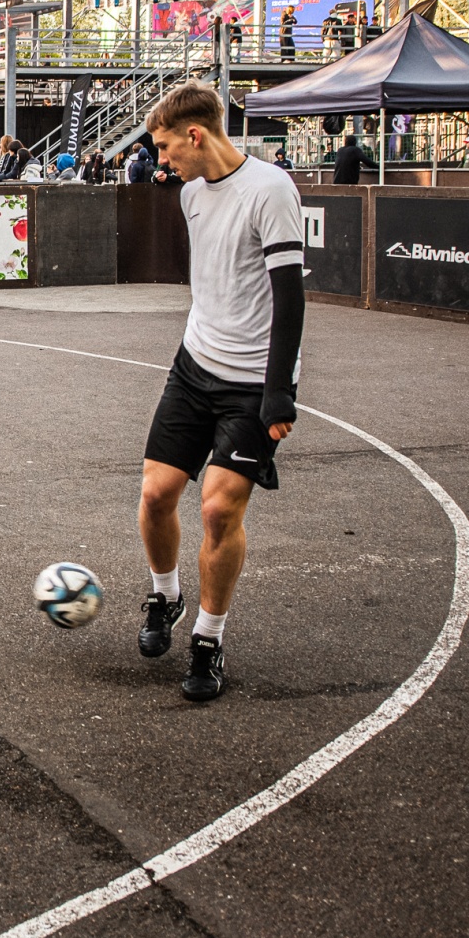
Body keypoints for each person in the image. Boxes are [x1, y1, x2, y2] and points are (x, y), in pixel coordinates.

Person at [131, 83, 306, 703]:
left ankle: (208, 639)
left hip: (253, 382)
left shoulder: (271, 189)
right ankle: (166, 595)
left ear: (195, 134)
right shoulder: (189, 194)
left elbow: (290, 295)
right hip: (194, 365)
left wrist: (278, 391)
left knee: (217, 510)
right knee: (156, 494)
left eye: (165, 147)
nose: (161, 159)